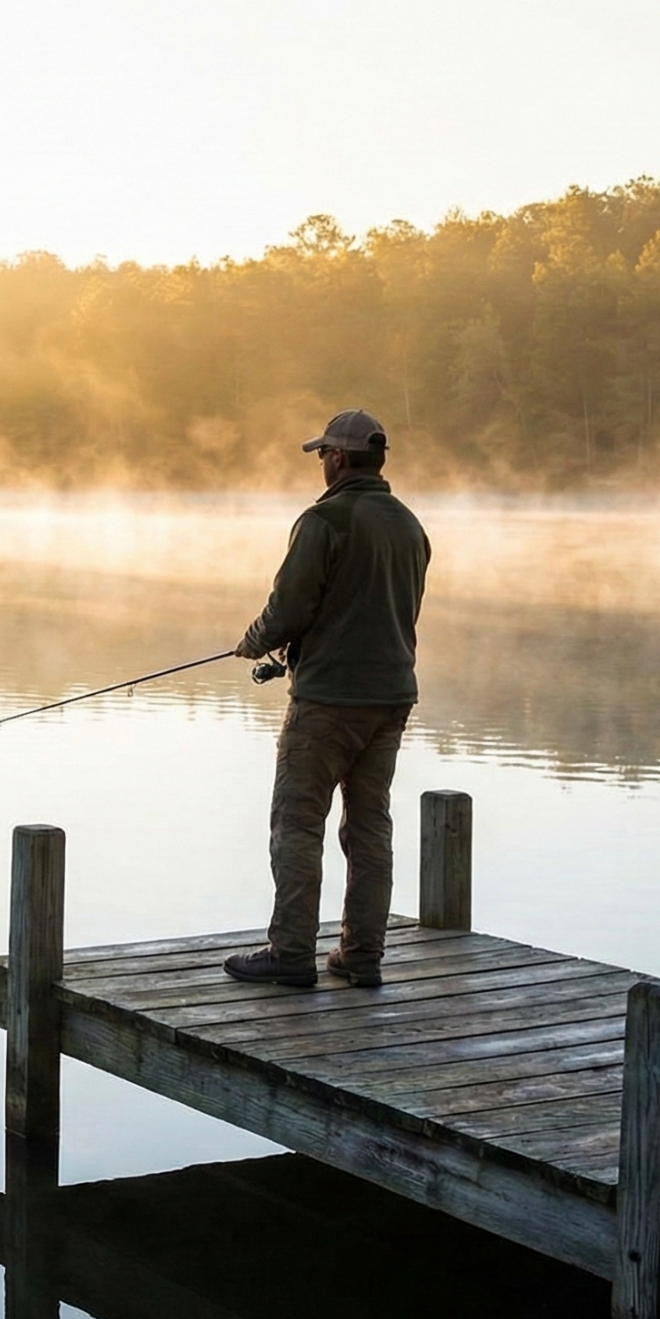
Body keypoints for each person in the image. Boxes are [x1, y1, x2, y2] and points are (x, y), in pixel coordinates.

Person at [223, 409, 430, 988]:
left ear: (338, 459)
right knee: (369, 829)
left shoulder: (324, 521)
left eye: (322, 455)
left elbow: (290, 606)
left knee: (297, 822)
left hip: (328, 702)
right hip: (391, 699)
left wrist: (254, 641)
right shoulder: (410, 526)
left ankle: (290, 952)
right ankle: (362, 956)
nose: (320, 464)